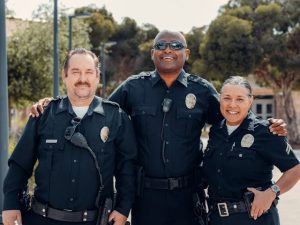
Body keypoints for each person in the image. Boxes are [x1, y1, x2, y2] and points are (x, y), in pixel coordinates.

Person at [29, 31, 286, 225]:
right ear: (152, 53)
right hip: (146, 197)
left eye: (176, 45)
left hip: (189, 196)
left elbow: (232, 116)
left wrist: (266, 126)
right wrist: (54, 104)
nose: (168, 49)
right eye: (160, 45)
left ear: (187, 53)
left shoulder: (202, 90)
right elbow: (97, 111)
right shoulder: (133, 87)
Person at [2, 48, 137, 225]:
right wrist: (10, 203)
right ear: (64, 76)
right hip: (42, 219)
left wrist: (122, 209)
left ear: (97, 77)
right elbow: (20, 164)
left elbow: (127, 169)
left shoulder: (116, 117)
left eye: (89, 72)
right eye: (75, 72)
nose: (82, 78)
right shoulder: (44, 114)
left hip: (95, 221)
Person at [202, 76, 300, 225]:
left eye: (240, 99)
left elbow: (295, 168)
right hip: (216, 219)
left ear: (250, 100)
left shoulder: (266, 131)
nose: (232, 105)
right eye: (227, 98)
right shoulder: (216, 131)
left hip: (254, 218)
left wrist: (272, 192)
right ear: (220, 99)